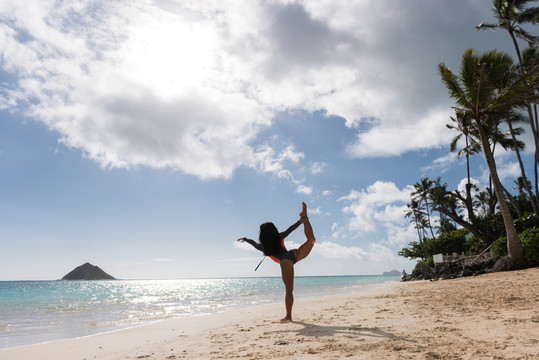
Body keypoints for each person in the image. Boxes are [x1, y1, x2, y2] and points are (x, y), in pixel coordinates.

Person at [237, 202, 316, 322]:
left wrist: (245, 239)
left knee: (289, 290)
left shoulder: (263, 247)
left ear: (262, 234)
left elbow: (253, 243)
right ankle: (306, 219)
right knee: (311, 240)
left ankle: (288, 316)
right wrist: (300, 221)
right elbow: (290, 229)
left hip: (285, 262)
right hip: (293, 254)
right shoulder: (279, 236)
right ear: (273, 230)